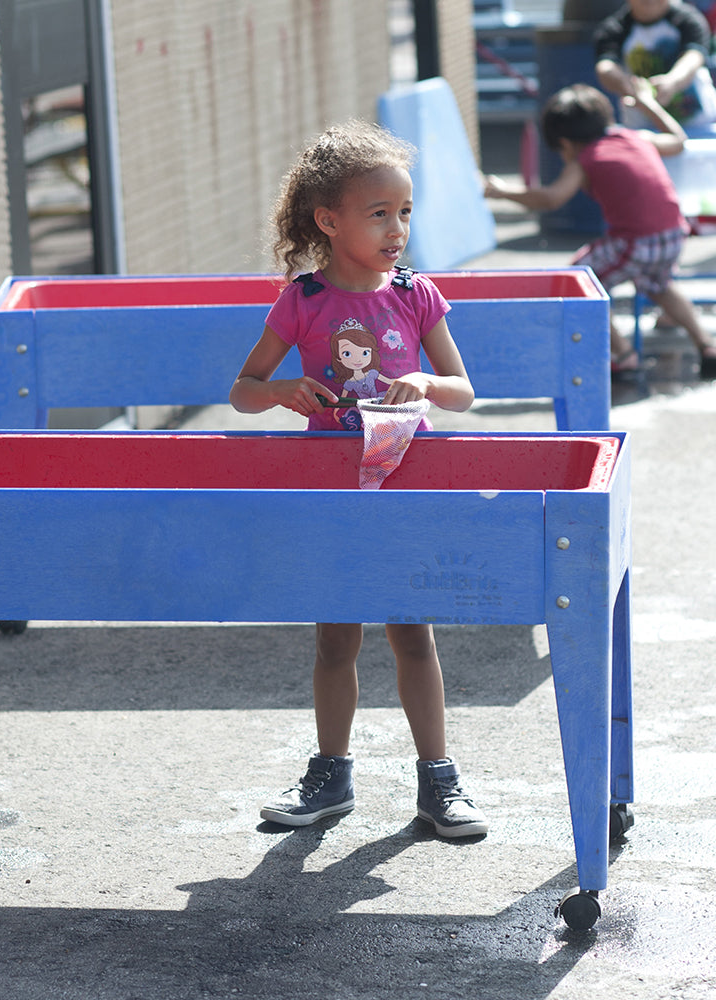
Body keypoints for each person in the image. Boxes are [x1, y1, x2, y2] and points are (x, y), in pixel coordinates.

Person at [228, 119, 488, 838]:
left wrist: (423, 382)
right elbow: (243, 391)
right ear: (328, 221)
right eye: (379, 213)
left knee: (413, 635)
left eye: (404, 211)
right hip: (333, 493)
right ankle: (331, 777)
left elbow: (464, 391)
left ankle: (439, 781)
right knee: (335, 642)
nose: (397, 228)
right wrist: (281, 391)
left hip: (402, 487)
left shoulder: (415, 293)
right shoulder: (303, 300)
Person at [484, 79, 716, 376]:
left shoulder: (585, 158)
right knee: (660, 287)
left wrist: (504, 192)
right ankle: (706, 345)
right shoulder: (636, 137)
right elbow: (678, 140)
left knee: (581, 279)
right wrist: (645, 102)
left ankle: (624, 354)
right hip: (673, 235)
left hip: (637, 242)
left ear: (565, 143)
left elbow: (551, 198)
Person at [594, 0, 716, 132]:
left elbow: (694, 55)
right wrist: (630, 87)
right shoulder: (613, 29)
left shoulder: (688, 18)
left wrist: (672, 81)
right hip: (642, 130)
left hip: (700, 125)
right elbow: (605, 66)